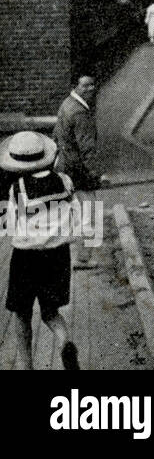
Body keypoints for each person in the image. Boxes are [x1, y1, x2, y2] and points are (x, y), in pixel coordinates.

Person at [0, 131, 81, 370]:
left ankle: (26, 366)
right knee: (50, 312)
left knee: (22, 315)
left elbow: (9, 225)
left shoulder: (17, 189)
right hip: (57, 256)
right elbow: (75, 213)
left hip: (26, 258)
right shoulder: (64, 181)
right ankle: (64, 340)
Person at [53, 75, 106, 191]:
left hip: (65, 164)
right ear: (75, 87)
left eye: (92, 84)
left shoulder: (67, 103)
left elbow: (56, 134)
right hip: (78, 169)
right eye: (85, 86)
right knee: (88, 204)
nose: (91, 88)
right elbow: (86, 145)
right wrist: (96, 172)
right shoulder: (79, 112)